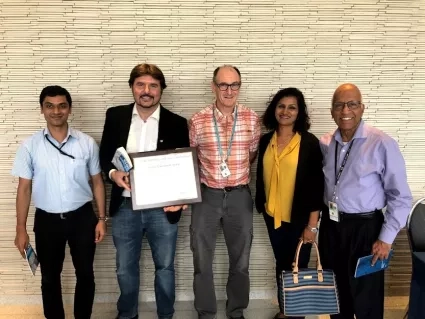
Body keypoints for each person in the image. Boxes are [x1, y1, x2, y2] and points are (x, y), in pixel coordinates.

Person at [99, 63, 190, 319]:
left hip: (163, 209)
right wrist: (114, 174)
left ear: (161, 89)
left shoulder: (177, 123)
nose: (146, 91)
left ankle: (166, 315)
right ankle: (127, 314)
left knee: (165, 268)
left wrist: (182, 199)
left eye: (153, 85)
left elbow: (183, 166)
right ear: (132, 87)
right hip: (125, 207)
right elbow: (105, 156)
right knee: (124, 269)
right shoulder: (115, 116)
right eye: (141, 85)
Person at [12, 85, 107, 319]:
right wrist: (20, 229)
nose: (56, 111)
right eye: (50, 106)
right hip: (47, 220)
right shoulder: (29, 146)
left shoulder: (86, 143)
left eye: (62, 105)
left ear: (69, 109)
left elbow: (97, 182)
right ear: (42, 110)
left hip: (83, 217)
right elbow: (24, 188)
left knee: (85, 273)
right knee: (49, 277)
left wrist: (102, 219)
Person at [318, 83, 413, 319]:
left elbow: (400, 197)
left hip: (366, 229)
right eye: (339, 105)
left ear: (362, 108)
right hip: (332, 228)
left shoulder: (382, 143)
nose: (345, 110)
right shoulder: (326, 143)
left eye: (352, 104)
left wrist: (386, 238)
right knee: (336, 294)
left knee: (366, 298)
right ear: (332, 111)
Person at [188, 65, 261, 319]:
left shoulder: (252, 119)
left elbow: (251, 156)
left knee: (241, 260)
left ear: (240, 86)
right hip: (207, 196)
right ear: (213, 86)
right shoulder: (197, 120)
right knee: (201, 258)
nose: (229, 91)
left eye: (234, 85)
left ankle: (236, 310)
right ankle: (206, 312)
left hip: (239, 195)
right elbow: (193, 158)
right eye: (223, 85)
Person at [255, 87, 324, 319]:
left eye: (292, 107)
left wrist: (312, 226)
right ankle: (286, 311)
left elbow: (317, 186)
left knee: (299, 268)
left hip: (299, 220)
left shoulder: (309, 143)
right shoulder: (266, 140)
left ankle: (297, 314)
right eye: (281, 106)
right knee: (282, 265)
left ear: (299, 112)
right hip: (273, 216)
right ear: (274, 109)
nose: (285, 111)